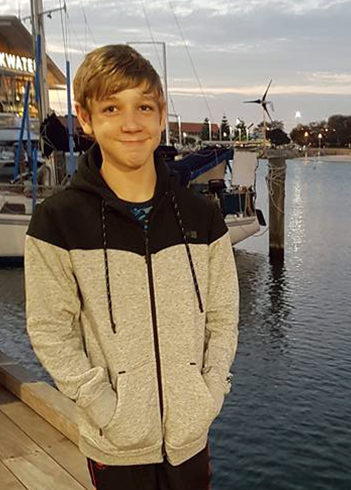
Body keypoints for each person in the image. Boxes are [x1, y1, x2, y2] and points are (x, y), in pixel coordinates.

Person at [24, 44, 239, 490]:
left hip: (190, 436)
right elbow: (49, 329)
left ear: (161, 115)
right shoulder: (58, 220)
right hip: (115, 443)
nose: (131, 123)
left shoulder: (203, 216)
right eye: (111, 107)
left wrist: (209, 393)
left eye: (144, 106)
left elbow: (222, 318)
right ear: (85, 119)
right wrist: (104, 408)